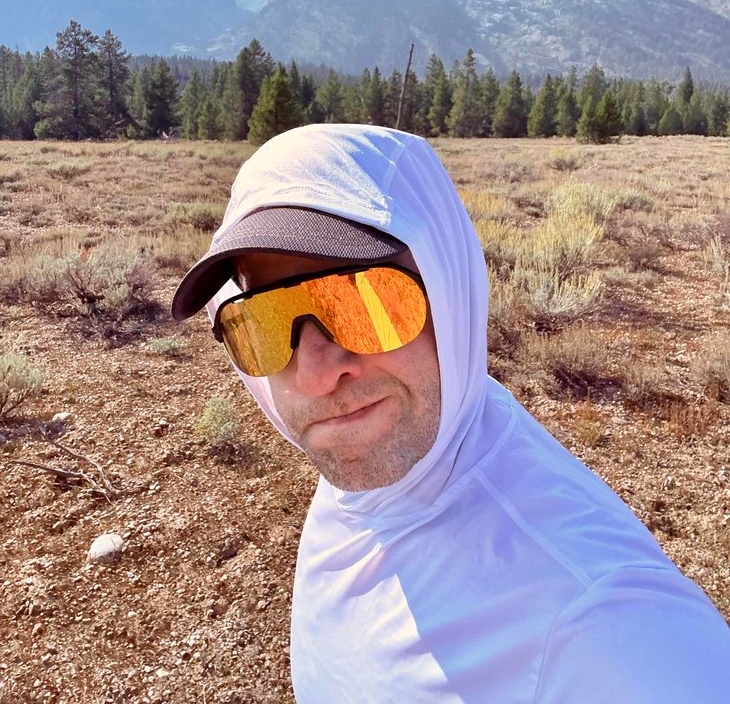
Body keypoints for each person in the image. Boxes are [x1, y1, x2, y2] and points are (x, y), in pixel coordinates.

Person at [172, 123, 730, 703]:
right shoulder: (372, 473)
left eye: (365, 304)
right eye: (260, 323)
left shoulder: (609, 633)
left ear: (450, 288)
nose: (314, 376)